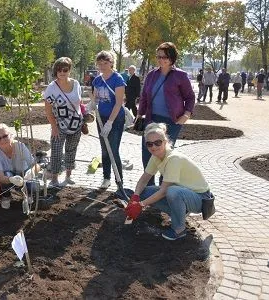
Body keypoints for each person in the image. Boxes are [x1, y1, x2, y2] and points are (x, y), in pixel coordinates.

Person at [125, 122, 214, 241]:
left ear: (165, 141)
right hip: (184, 193)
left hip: (201, 198)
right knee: (145, 192)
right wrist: (135, 197)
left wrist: (140, 205)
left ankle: (179, 229)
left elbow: (163, 191)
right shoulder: (155, 156)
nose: (154, 147)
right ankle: (180, 212)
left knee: (172, 191)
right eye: (149, 144)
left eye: (158, 142)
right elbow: (144, 179)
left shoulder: (173, 159)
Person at [136, 42, 194, 186]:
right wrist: (139, 114)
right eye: (159, 56)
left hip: (172, 122)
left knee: (165, 155)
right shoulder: (151, 75)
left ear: (172, 58)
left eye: (165, 57)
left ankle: (165, 189)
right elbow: (144, 96)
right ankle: (150, 189)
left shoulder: (180, 76)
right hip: (152, 120)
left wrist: (186, 115)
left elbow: (190, 97)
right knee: (147, 153)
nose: (161, 60)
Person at [44, 57, 83, 186]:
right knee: (56, 151)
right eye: (59, 70)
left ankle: (68, 176)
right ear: (55, 71)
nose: (62, 72)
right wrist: (53, 126)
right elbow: (48, 110)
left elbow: (79, 103)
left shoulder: (76, 84)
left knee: (71, 150)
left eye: (65, 69)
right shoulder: (52, 88)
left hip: (76, 124)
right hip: (59, 125)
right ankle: (54, 178)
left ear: (69, 70)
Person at [90, 50, 126, 189]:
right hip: (101, 118)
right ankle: (106, 178)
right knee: (104, 149)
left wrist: (110, 123)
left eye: (106, 63)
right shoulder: (97, 80)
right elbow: (95, 99)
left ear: (111, 63)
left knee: (113, 150)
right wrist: (90, 105)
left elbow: (118, 103)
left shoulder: (117, 79)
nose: (103, 66)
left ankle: (119, 180)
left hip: (115, 119)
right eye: (100, 63)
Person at [0, 123, 41, 209]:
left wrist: (31, 172)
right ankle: (6, 196)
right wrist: (11, 179)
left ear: (10, 135)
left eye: (5, 136)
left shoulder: (20, 146)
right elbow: (0, 176)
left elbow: (36, 165)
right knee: (6, 175)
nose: (2, 140)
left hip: (24, 174)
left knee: (34, 186)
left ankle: (28, 194)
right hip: (9, 177)